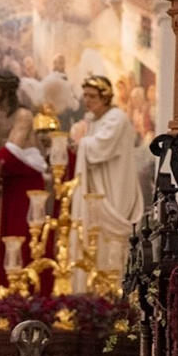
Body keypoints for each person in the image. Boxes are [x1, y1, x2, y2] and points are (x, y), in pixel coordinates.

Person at [0, 68, 48, 284]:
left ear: (6, 90)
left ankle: (23, 285)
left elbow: (12, 151)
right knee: (1, 235)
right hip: (5, 183)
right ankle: (1, 285)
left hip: (26, 184)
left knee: (22, 234)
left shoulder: (23, 116)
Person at [68, 76, 144, 264]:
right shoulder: (94, 120)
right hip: (98, 187)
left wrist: (80, 142)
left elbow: (100, 147)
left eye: (92, 96)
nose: (87, 100)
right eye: (85, 95)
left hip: (114, 187)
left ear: (105, 97)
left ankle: (113, 285)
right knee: (95, 235)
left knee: (110, 238)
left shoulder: (116, 118)